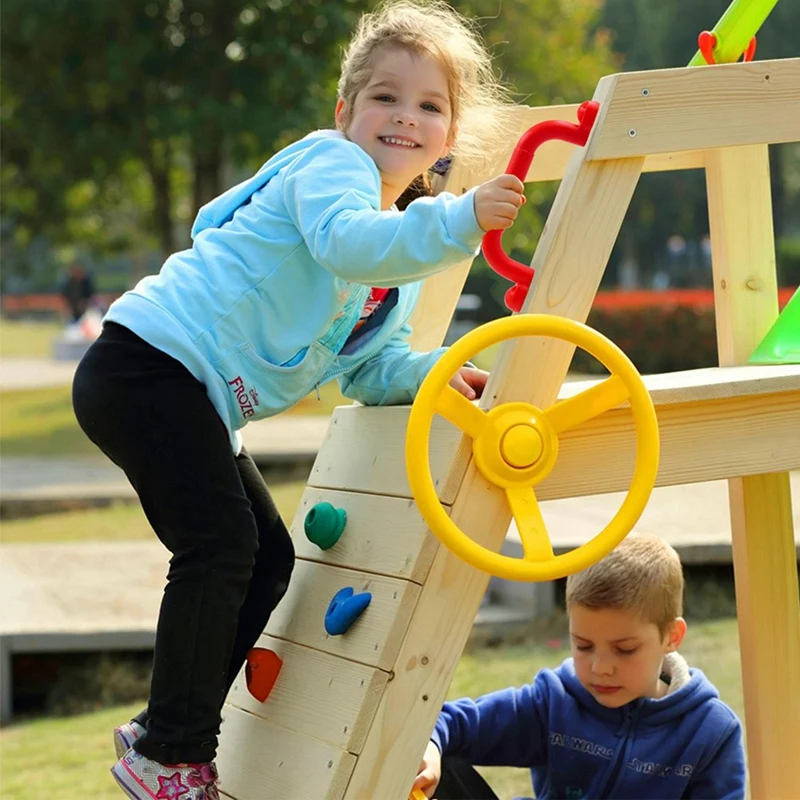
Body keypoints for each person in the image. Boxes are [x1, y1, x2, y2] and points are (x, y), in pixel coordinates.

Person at [71, 1, 524, 797]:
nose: (404, 118)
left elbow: (369, 366)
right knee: (219, 546)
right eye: (385, 97)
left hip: (189, 394)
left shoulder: (392, 263)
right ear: (346, 112)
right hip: (147, 364)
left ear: (449, 137)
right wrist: (457, 221)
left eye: (429, 106)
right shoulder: (332, 169)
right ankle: (171, 753)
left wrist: (435, 373)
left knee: (269, 560)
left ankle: (166, 731)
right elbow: (344, 240)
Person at [414, 534, 746, 800]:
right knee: (431, 758)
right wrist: (428, 750)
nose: (601, 667)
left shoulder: (711, 732)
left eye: (624, 649)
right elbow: (452, 722)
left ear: (672, 636)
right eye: (583, 646)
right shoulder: (554, 701)